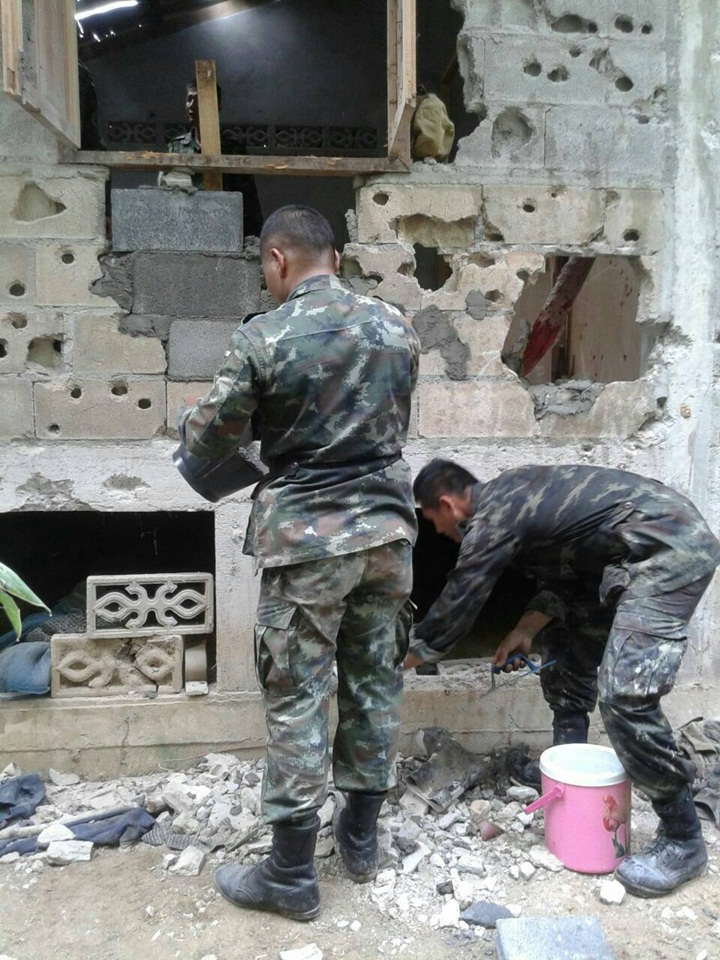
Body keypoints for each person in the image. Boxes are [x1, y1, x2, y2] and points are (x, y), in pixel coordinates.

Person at [178, 205, 420, 920]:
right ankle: (361, 840)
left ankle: (290, 874)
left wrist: (207, 420)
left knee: (297, 697)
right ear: (335, 258)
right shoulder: (396, 326)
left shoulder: (264, 335)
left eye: (265, 269)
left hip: (308, 544)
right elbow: (388, 419)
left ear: (277, 260)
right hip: (387, 535)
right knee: (375, 684)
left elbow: (208, 441)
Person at [405, 458, 720, 899]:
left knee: (625, 696)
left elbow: (462, 595)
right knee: (565, 647)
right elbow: (571, 574)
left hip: (668, 549)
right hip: (623, 556)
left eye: (432, 521)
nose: (438, 532)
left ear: (446, 505)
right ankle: (565, 776)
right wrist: (525, 628)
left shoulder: (496, 512)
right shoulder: (517, 499)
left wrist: (406, 656)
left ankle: (683, 838)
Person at [164, 78, 263, 236]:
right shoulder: (177, 147)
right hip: (185, 229)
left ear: (216, 105)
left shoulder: (232, 149)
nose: (191, 106)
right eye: (189, 99)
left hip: (224, 229)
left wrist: (252, 239)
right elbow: (164, 193)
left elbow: (249, 202)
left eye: (197, 100)